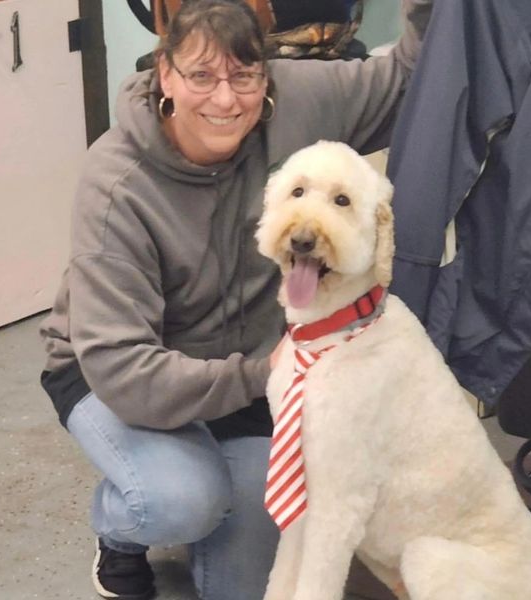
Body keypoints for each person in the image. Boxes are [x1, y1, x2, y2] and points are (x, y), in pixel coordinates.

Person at [39, 0, 433, 598]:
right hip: (117, 377)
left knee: (250, 580)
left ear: (264, 75)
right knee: (181, 500)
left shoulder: (294, 101)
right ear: (165, 74)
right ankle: (122, 527)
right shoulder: (116, 184)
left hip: (246, 380)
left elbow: (410, 78)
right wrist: (260, 374)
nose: (225, 100)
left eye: (243, 76)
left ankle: (205, 491)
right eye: (201, 76)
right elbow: (122, 368)